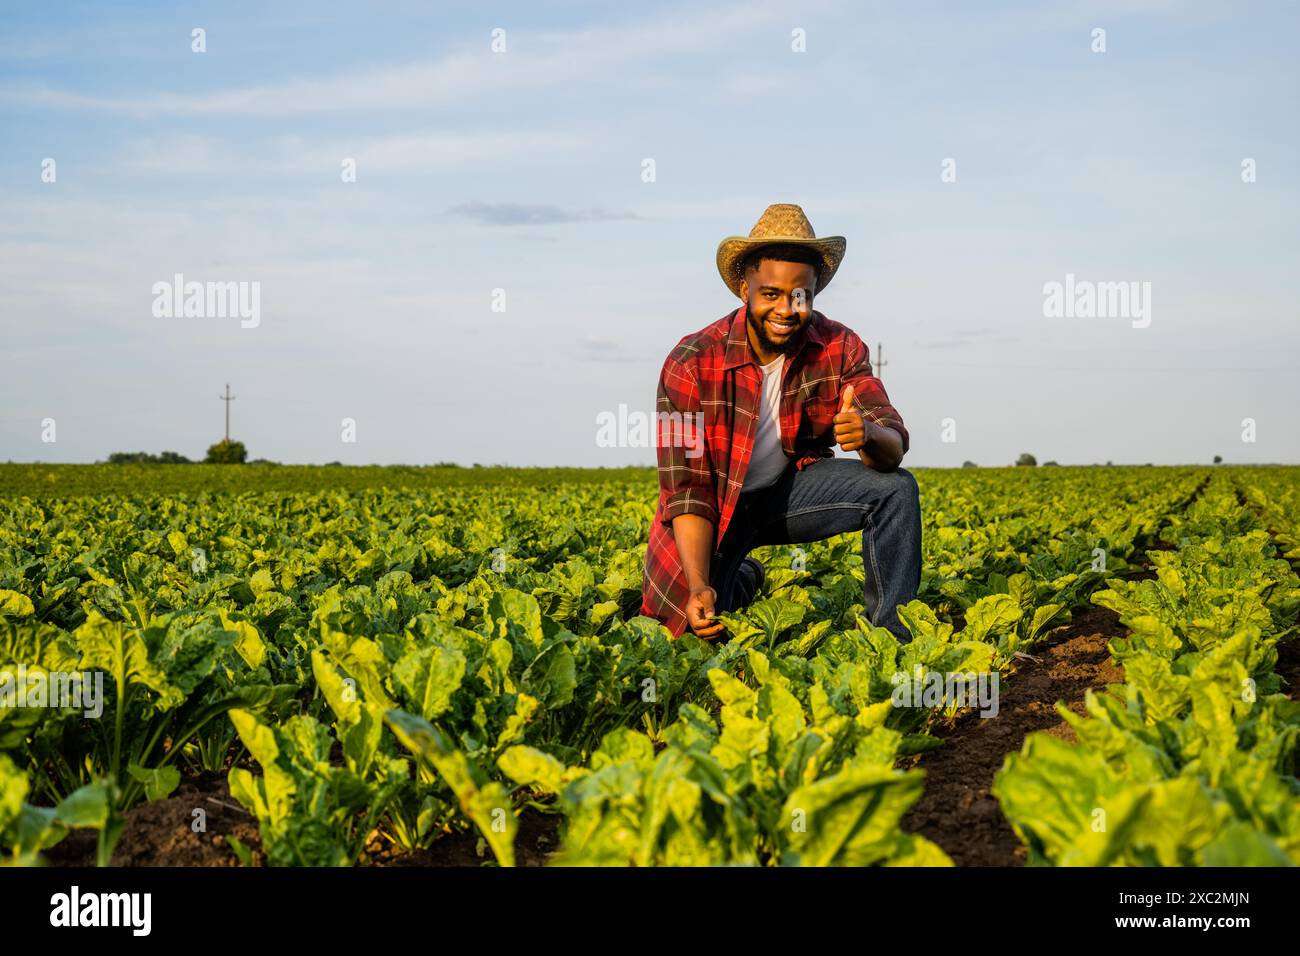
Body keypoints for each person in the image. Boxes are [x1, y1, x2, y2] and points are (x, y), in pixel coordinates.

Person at [639, 203, 921, 642]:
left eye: (800, 295)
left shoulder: (839, 347)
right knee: (689, 631)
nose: (786, 308)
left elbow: (892, 442)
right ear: (743, 288)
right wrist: (698, 585)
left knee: (896, 489)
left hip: (788, 496)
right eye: (770, 293)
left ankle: (892, 638)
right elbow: (688, 489)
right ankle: (741, 576)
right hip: (713, 511)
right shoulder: (691, 362)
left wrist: (868, 435)